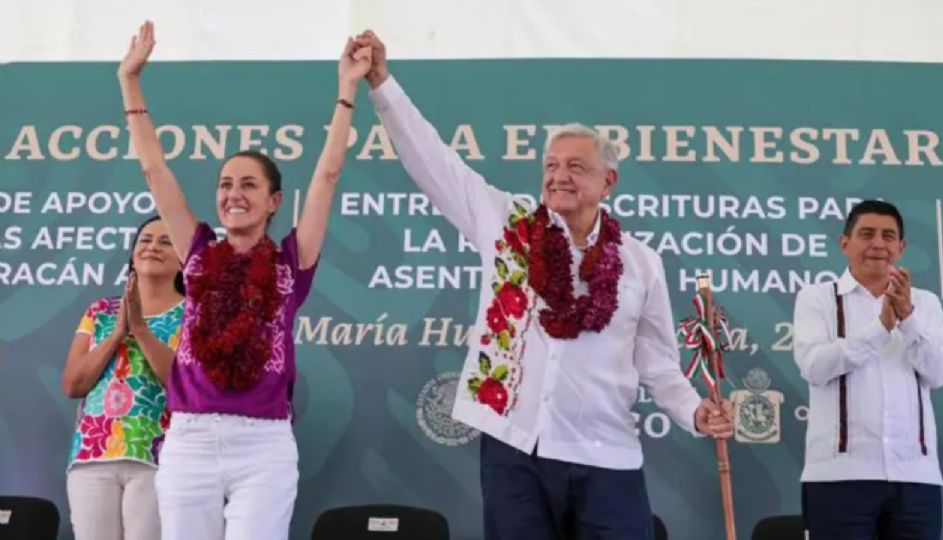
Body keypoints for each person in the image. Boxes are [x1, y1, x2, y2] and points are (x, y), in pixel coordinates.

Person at [355, 30, 734, 540]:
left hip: (607, 457)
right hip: (516, 453)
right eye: (551, 166)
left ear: (608, 182)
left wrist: (694, 410)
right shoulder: (508, 224)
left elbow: (658, 362)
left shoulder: (641, 263)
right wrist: (382, 82)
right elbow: (432, 161)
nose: (559, 176)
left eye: (576, 167)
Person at [117, 21, 371, 540]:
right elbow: (154, 170)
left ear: (274, 201)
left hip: (264, 444)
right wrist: (130, 82)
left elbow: (326, 175)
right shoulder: (197, 249)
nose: (235, 193)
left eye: (249, 184)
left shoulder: (290, 261)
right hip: (189, 437)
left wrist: (347, 91)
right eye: (226, 184)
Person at [794, 200, 943, 540]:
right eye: (867, 234)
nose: (878, 244)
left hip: (916, 477)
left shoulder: (924, 303)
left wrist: (907, 318)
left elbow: (938, 373)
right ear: (845, 243)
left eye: (888, 236)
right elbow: (814, 367)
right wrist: (880, 328)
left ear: (901, 247)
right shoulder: (818, 298)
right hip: (839, 477)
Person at [63, 215, 185, 540]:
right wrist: (117, 332)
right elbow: (73, 384)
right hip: (93, 453)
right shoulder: (99, 311)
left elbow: (185, 386)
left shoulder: (194, 315)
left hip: (160, 455)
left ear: (183, 260)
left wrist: (141, 331)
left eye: (165, 241)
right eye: (145, 240)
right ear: (132, 254)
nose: (152, 247)